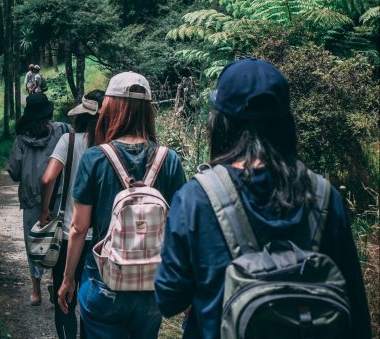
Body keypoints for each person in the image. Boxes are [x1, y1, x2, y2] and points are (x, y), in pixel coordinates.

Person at [154, 58, 372, 339]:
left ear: (220, 122)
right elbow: (355, 306)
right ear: (285, 123)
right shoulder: (324, 196)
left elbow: (169, 298)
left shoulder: (196, 198)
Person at [57, 72, 186, 338]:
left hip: (105, 282)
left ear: (111, 108)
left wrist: (68, 278)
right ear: (147, 111)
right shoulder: (169, 160)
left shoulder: (95, 158)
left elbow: (78, 229)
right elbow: (180, 229)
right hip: (152, 286)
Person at [40, 89, 105, 339]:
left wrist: (45, 210)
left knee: (63, 297)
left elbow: (47, 178)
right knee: (92, 300)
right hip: (100, 237)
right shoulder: (110, 147)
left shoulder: (68, 141)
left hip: (69, 233)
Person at [7, 92, 71, 306]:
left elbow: (14, 172)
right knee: (59, 239)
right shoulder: (62, 130)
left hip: (32, 199)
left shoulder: (21, 139)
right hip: (60, 196)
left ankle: (36, 291)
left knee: (34, 243)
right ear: (48, 114)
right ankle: (55, 279)